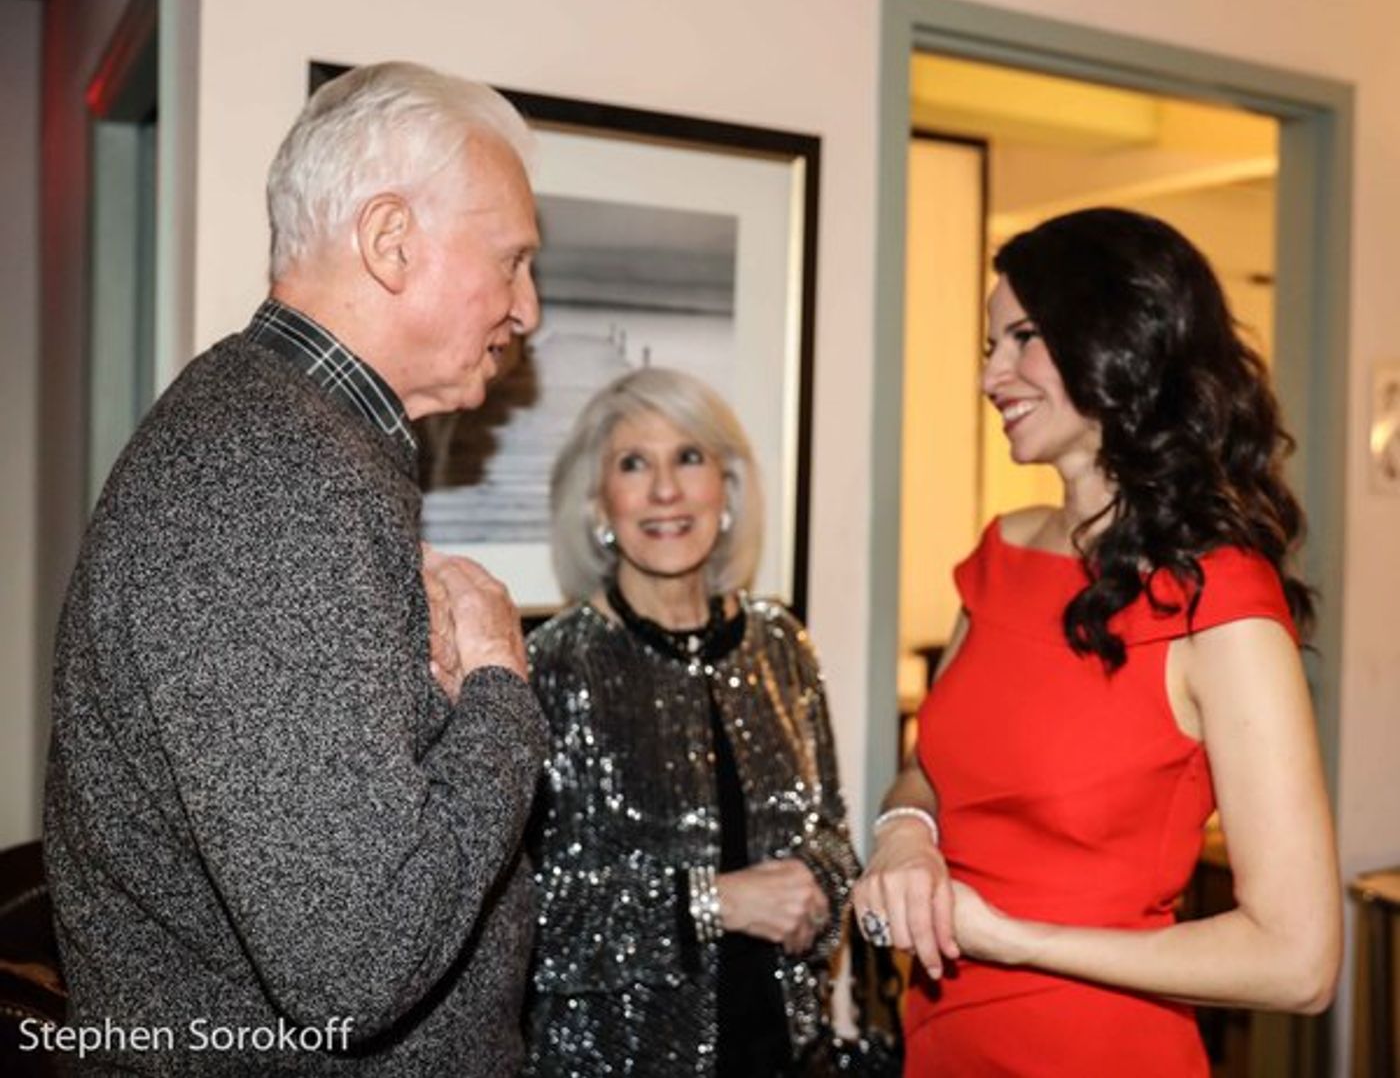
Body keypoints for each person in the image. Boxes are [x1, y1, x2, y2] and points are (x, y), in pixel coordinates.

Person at [43, 62, 547, 1074]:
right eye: (512, 261)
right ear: (391, 241)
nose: (526, 308)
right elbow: (358, 961)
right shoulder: (273, 473)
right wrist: (497, 689)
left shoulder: (281, 434)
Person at [852, 207, 1341, 1076]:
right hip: (940, 1039)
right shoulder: (1002, 554)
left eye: (1023, 338)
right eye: (988, 343)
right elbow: (929, 767)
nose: (990, 374)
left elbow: (1299, 961)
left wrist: (1012, 938)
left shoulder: (1219, 601)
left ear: (1120, 341)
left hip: (1094, 1049)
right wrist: (903, 832)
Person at [523, 368, 862, 1076]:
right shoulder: (549, 666)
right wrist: (711, 901)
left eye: (689, 457)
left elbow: (831, 836)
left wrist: (817, 885)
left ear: (727, 489)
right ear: (597, 502)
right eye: (633, 463)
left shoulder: (782, 644)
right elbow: (523, 919)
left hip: (784, 1053)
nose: (666, 490)